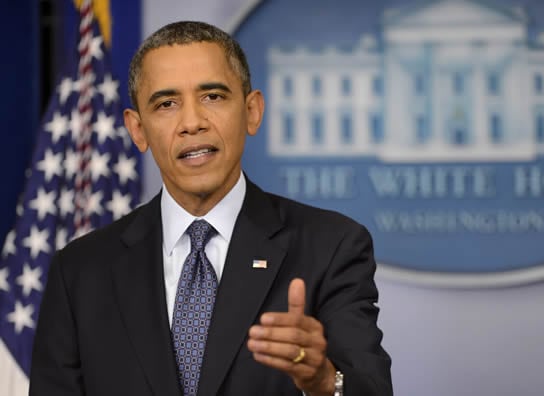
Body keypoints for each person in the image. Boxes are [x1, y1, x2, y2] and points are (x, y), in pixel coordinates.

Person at [29, 21, 392, 396]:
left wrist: (323, 381)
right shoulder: (80, 272)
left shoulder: (330, 247)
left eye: (213, 97)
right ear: (137, 130)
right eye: (166, 104)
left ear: (252, 111)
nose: (192, 123)